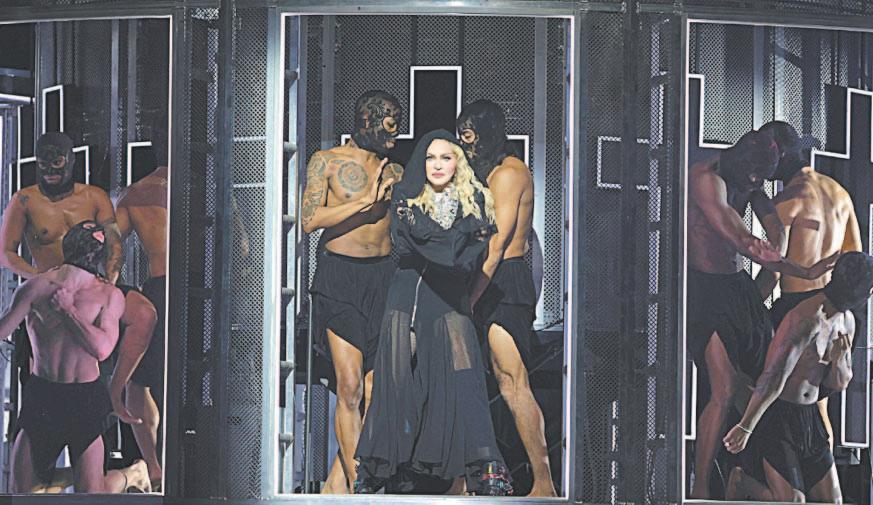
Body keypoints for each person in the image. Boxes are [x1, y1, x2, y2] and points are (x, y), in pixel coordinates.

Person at [355, 129, 512, 496]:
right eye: (430, 157)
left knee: (464, 377)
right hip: (407, 294)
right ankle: (379, 467)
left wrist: (440, 240)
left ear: (458, 163)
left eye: (446, 157)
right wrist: (453, 239)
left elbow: (464, 254)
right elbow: (436, 248)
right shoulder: (405, 198)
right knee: (394, 380)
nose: (437, 165)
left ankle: (486, 467)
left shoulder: (476, 200)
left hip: (448, 298)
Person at [686, 129, 837, 498]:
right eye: (754, 178)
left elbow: (773, 230)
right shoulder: (707, 179)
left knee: (767, 384)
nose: (757, 184)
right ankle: (701, 487)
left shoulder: (749, 178)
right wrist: (803, 272)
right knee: (724, 389)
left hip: (739, 288)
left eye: (761, 179)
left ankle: (753, 477)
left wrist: (777, 251)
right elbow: (744, 241)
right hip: (706, 291)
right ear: (742, 163)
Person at [302, 90, 403, 493]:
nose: (395, 135)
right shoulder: (327, 161)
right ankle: (361, 487)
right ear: (367, 121)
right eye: (389, 126)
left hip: (383, 278)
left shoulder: (394, 170)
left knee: (378, 391)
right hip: (340, 278)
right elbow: (310, 219)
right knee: (349, 386)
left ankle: (336, 484)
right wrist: (364, 203)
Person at [0, 220, 148, 493]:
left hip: (83, 398)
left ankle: (133, 475)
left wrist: (69, 311)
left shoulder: (108, 295)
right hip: (43, 394)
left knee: (90, 494)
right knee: (21, 492)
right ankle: (66, 478)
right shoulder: (36, 287)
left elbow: (102, 349)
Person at [458, 100, 556, 496]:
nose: (465, 144)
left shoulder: (509, 173)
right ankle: (467, 479)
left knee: (513, 381)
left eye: (469, 135)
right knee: (482, 382)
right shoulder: (490, 172)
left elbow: (497, 245)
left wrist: (470, 300)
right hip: (486, 279)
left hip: (502, 282)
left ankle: (544, 483)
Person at [722, 252, 873, 503]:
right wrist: (746, 425)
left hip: (809, 417)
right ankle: (741, 480)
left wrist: (839, 360)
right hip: (779, 415)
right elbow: (773, 375)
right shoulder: (806, 319)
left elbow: (839, 383)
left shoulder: (848, 321)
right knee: (793, 502)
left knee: (833, 502)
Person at [756, 120, 863, 450]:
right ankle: (823, 471)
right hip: (836, 308)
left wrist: (748, 306)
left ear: (781, 156)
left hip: (796, 308)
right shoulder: (839, 193)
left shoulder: (787, 200)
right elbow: (855, 257)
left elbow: (773, 272)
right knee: (819, 404)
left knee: (779, 397)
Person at [0, 132, 122, 282]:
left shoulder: (95, 197)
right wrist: (39, 278)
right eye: (43, 164)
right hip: (50, 285)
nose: (50, 171)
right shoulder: (24, 200)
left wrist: (109, 282)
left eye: (57, 162)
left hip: (91, 284)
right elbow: (5, 253)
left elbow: (114, 244)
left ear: (71, 160)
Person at [114, 162, 169, 489]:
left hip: (161, 287)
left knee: (139, 383)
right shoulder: (210, 189)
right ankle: (155, 466)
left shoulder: (137, 193)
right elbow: (243, 247)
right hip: (205, 287)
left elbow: (109, 249)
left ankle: (153, 464)